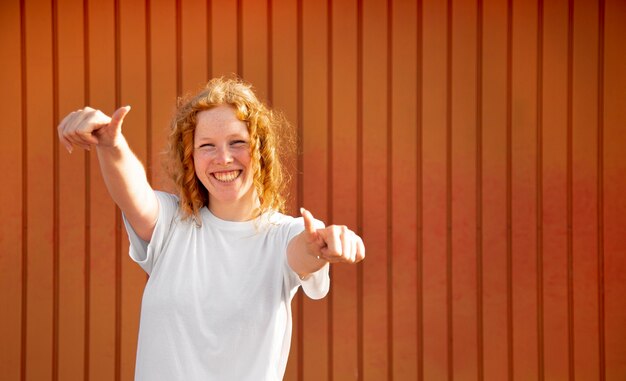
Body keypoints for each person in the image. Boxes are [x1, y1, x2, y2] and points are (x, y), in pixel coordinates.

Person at [56, 77, 365, 380]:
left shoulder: (285, 234)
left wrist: (320, 248)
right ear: (191, 158)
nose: (223, 158)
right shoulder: (171, 224)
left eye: (237, 142)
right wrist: (112, 146)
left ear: (261, 150)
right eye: (207, 146)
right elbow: (134, 193)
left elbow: (303, 253)